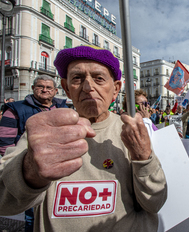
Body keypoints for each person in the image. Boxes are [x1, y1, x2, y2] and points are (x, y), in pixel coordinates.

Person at [0, 45, 167, 231]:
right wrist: (30, 171)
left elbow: (155, 202)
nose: (88, 87)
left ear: (116, 89)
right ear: (66, 88)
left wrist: (143, 157)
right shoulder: (46, 130)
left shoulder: (132, 131)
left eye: (99, 79)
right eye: (77, 78)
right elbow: (4, 201)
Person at [0, 74, 67, 231]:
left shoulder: (63, 109)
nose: (44, 90)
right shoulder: (15, 109)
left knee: (54, 210)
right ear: (33, 89)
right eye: (40, 87)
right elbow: (4, 143)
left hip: (59, 169)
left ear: (56, 91)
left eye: (49, 87)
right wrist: (20, 166)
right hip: (30, 169)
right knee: (33, 211)